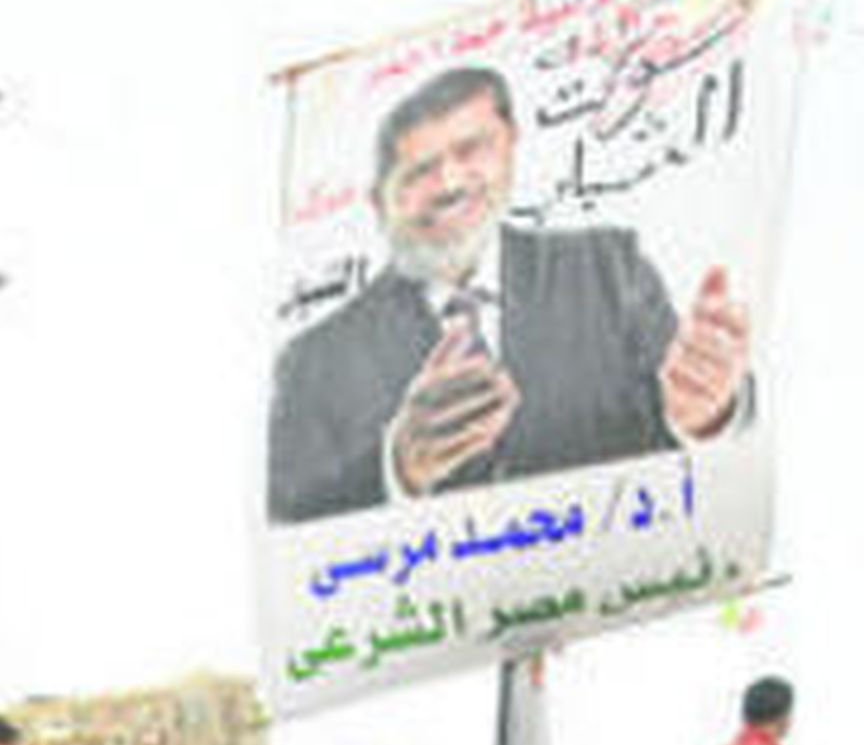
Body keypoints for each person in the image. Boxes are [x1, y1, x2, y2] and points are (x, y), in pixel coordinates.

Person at [268, 64, 751, 523]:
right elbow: (288, 526)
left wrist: (711, 414)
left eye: (471, 148)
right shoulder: (312, 362)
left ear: (511, 146)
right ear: (378, 203)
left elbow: (697, 441)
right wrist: (396, 468)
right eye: (417, 172)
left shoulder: (611, 269)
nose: (450, 183)